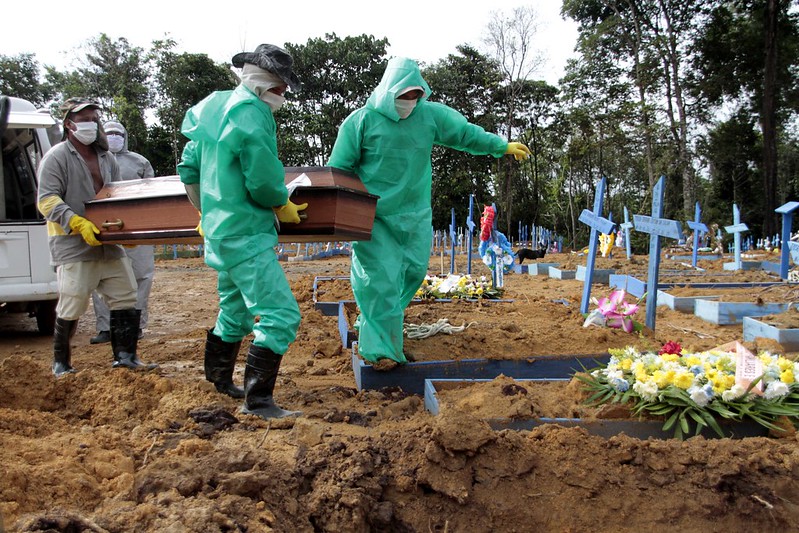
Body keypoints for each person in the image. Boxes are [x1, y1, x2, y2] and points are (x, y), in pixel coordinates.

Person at [328, 56, 532, 370]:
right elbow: (339, 168)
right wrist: (340, 210)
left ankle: (376, 325)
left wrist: (500, 146)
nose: (410, 101)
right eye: (403, 95)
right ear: (388, 90)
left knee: (412, 273)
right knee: (379, 280)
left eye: (415, 95)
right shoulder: (361, 121)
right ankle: (379, 350)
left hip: (415, 214)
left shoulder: (429, 116)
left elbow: (465, 134)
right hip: (372, 215)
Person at [177, 43, 307, 419]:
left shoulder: (213, 106)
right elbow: (264, 181)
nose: (282, 95)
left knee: (234, 311)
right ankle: (259, 401)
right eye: (280, 87)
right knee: (281, 315)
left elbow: (188, 167)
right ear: (263, 81)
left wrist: (206, 210)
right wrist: (280, 201)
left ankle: (218, 381)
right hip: (247, 232)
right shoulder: (252, 112)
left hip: (219, 232)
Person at [36, 97, 157, 376]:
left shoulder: (106, 158)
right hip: (73, 244)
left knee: (126, 295)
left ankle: (125, 356)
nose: (91, 123)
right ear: (69, 124)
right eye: (84, 119)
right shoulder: (57, 157)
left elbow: (114, 196)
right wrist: (76, 222)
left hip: (108, 243)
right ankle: (61, 363)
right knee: (73, 300)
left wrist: (128, 230)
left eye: (94, 118)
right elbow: (46, 200)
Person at [89, 120, 156, 344]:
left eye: (118, 133)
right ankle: (106, 327)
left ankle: (135, 326)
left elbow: (152, 194)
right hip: (105, 226)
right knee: (103, 277)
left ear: (125, 136)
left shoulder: (140, 162)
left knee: (141, 276)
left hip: (137, 227)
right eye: (109, 133)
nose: (114, 137)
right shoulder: (92, 160)